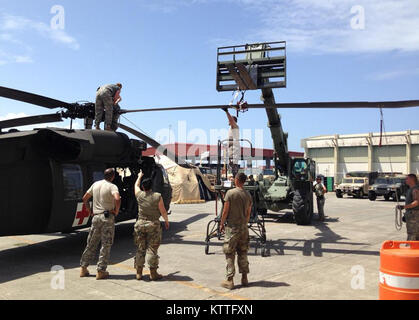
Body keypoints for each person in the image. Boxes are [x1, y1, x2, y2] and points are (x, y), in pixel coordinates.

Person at [80, 168, 121, 280]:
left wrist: (90, 211)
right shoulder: (112, 186)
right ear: (112, 176)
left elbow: (85, 198)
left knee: (91, 243)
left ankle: (83, 268)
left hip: (96, 217)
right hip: (107, 218)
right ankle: (101, 270)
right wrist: (116, 211)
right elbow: (117, 199)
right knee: (105, 244)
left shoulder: (95, 184)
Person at [133, 172, 170, 281]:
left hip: (140, 224)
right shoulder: (157, 196)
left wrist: (139, 176)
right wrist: (166, 221)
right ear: (151, 186)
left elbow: (135, 186)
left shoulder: (139, 195)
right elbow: (163, 211)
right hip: (153, 224)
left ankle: (138, 273)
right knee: (152, 249)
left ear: (143, 187)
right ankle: (153, 273)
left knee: (140, 248)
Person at [219, 172, 252, 290]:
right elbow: (248, 213)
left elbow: (225, 211)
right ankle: (244, 278)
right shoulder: (248, 195)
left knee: (229, 253)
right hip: (244, 228)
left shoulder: (230, 193)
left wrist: (221, 224)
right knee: (243, 252)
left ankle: (230, 280)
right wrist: (244, 223)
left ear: (237, 180)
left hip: (232, 228)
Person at [397, 174, 419, 240]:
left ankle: (411, 247)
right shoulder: (411, 189)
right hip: (411, 214)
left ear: (412, 180)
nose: (406, 180)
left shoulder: (415, 189)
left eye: (407, 179)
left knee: (412, 234)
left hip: (414, 215)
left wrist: (404, 206)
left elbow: (416, 202)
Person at [222, 108, 240, 177]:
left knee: (234, 165)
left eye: (229, 120)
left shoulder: (235, 126)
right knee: (231, 164)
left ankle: (236, 177)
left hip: (235, 148)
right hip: (231, 149)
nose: (228, 121)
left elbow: (231, 120)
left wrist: (226, 112)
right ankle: (234, 177)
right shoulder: (230, 129)